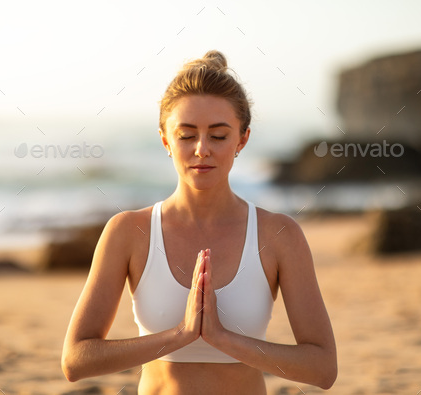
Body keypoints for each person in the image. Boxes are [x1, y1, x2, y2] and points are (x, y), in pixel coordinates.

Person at [61, 50, 337, 394]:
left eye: (218, 135)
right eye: (186, 135)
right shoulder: (128, 232)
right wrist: (179, 336)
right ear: (165, 140)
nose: (202, 149)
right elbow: (76, 360)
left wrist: (223, 339)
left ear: (242, 139)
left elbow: (322, 368)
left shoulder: (278, 234)